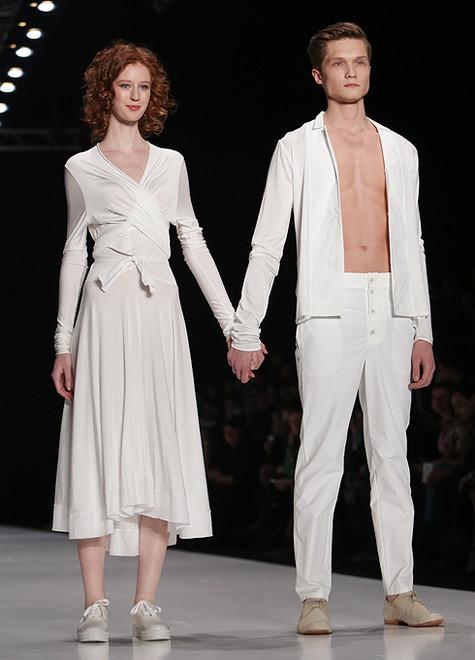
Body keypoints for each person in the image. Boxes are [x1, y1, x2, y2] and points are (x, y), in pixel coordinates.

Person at [227, 22, 444, 633]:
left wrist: (422, 326)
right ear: (318, 74)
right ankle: (314, 597)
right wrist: (246, 329)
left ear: (370, 69)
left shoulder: (401, 150)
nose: (351, 71)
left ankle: (400, 591)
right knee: (320, 454)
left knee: (392, 454)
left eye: (360, 61)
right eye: (339, 62)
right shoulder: (295, 147)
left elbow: (414, 241)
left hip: (392, 305)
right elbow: (268, 242)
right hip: (329, 306)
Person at [50, 41, 261, 643]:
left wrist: (233, 326)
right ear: (106, 92)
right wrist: (63, 341)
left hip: (159, 312)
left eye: (145, 87)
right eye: (126, 86)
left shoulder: (172, 164)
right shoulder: (81, 167)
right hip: (104, 310)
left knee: (158, 441)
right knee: (97, 441)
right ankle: (94, 604)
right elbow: (73, 252)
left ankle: (145, 602)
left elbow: (192, 242)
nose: (136, 96)